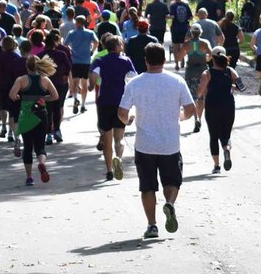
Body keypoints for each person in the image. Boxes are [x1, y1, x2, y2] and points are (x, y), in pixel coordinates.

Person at [117, 44, 196, 239]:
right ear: (163, 60)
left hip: (145, 144)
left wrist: (127, 121)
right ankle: (169, 203)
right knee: (172, 181)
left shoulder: (134, 83)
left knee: (147, 186)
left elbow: (121, 112)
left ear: (146, 60)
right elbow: (191, 108)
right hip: (170, 144)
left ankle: (152, 225)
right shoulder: (176, 81)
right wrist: (182, 117)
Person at [89, 35, 137, 181]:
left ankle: (109, 170)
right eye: (121, 44)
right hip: (120, 103)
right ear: (117, 47)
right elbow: (134, 78)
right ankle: (119, 158)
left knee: (106, 139)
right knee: (119, 137)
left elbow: (93, 77)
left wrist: (91, 86)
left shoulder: (100, 60)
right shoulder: (126, 61)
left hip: (104, 102)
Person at [9, 55, 59, 186]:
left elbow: (11, 95)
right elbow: (55, 96)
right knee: (40, 146)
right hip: (41, 115)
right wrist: (43, 98)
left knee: (28, 146)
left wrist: (19, 97)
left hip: (26, 116)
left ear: (27, 66)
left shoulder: (21, 80)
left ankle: (29, 177)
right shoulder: (45, 80)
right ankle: (41, 163)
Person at [196, 52, 242, 173]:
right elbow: (241, 86)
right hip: (228, 105)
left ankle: (217, 166)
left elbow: (200, 91)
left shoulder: (207, 73)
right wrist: (231, 85)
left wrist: (199, 95)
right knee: (226, 134)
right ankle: (226, 149)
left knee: (214, 136)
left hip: (212, 105)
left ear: (213, 60)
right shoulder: (230, 71)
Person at [64, 13, 99, 114]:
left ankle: (75, 98)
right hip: (86, 61)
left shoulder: (71, 33)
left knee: (75, 82)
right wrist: (92, 51)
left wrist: (71, 50)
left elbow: (65, 44)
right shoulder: (89, 33)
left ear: (77, 23)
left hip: (75, 61)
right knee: (84, 84)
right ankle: (83, 105)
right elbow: (96, 42)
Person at [182, 25, 212, 131]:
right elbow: (211, 54)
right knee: (201, 97)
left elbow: (179, 56)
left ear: (191, 32)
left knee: (193, 96)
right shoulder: (204, 43)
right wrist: (206, 58)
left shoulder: (186, 44)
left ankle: (196, 119)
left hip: (190, 72)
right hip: (203, 72)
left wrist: (186, 52)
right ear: (201, 32)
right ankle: (199, 117)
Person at [168, 0, 193, 69]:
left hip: (175, 27)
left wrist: (167, 17)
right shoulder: (186, 5)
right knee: (184, 45)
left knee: (175, 46)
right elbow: (191, 17)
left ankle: (176, 63)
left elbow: (172, 16)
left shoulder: (173, 5)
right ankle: (182, 59)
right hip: (185, 27)